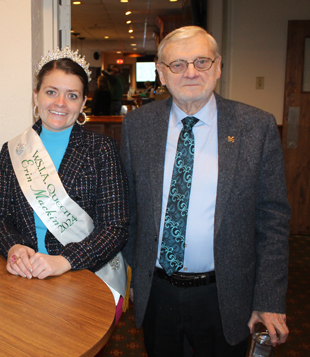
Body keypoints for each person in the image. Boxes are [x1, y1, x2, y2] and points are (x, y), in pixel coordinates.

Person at [121, 26, 291, 356]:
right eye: (178, 64)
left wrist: (268, 299)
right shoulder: (138, 126)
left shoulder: (256, 127)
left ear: (218, 67)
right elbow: (130, 209)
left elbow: (273, 221)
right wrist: (134, 274)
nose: (191, 72)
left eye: (201, 61)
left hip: (226, 295)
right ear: (161, 72)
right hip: (157, 292)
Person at [0, 46, 129, 321]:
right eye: (51, 92)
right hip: (23, 276)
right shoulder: (13, 150)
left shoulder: (101, 149)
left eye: (72, 95)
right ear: (36, 96)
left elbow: (115, 227)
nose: (60, 103)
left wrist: (65, 260)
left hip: (85, 276)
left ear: (83, 102)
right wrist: (15, 248)